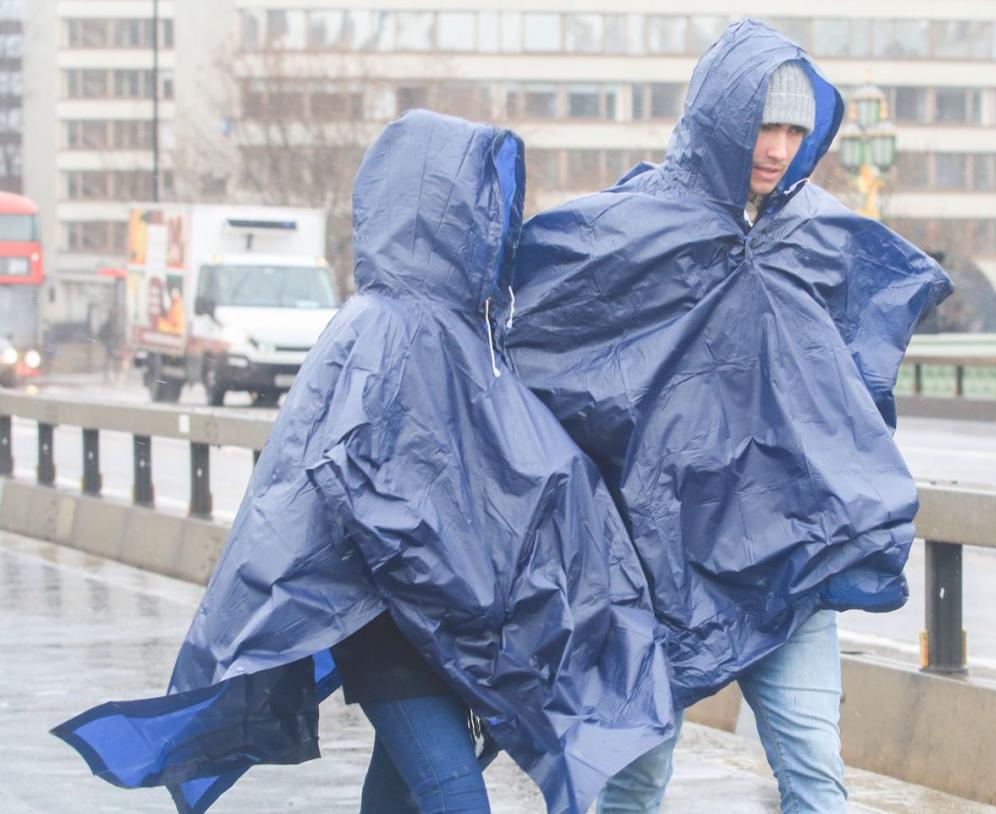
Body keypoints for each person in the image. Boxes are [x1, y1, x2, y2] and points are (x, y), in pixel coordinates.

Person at [53, 110, 674, 814]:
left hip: (448, 624)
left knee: (400, 794)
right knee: (453, 795)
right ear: (433, 208)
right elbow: (363, 491)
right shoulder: (383, 329)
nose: (493, 224)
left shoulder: (469, 335)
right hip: (385, 621)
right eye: (479, 205)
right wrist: (459, 579)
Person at [507, 19, 952, 814]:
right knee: (635, 781)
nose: (776, 147)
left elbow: (856, 374)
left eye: (792, 129)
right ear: (720, 119)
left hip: (788, 557)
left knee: (816, 773)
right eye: (761, 125)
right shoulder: (633, 228)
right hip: (654, 564)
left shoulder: (814, 234)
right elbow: (544, 341)